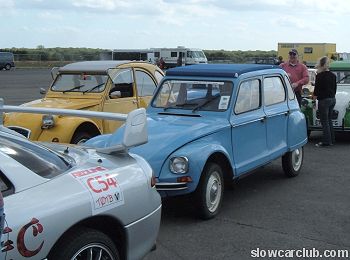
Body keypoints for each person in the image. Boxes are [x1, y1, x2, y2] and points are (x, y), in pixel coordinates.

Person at [312, 56, 337, 147]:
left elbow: (316, 90)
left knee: (324, 121)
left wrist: (313, 101)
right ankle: (332, 139)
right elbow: (334, 89)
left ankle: (326, 141)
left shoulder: (319, 76)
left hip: (324, 100)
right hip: (332, 99)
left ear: (321, 64)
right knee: (329, 120)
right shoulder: (333, 75)